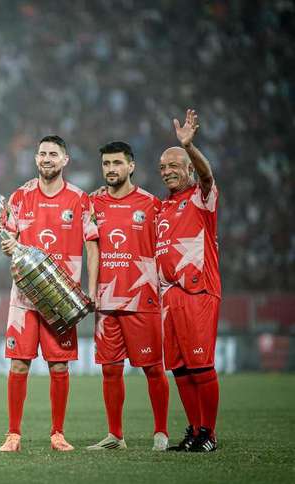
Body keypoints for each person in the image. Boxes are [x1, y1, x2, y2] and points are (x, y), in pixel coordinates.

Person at [0, 135, 99, 452]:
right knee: (18, 365)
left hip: (61, 298)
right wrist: (8, 246)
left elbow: (93, 246)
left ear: (65, 160)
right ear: (35, 159)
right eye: (41, 153)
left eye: (53, 154)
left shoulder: (81, 200)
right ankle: (13, 435)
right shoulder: (19, 197)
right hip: (25, 297)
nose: (46, 158)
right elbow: (8, 241)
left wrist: (92, 289)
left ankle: (57, 434)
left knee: (59, 366)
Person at [86, 141, 170, 451]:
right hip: (106, 300)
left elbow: (163, 248)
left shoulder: (150, 204)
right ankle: (115, 436)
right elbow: (90, 248)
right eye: (106, 163)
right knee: (109, 369)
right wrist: (92, 288)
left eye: (117, 163)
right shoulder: (92, 203)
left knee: (152, 367)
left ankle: (160, 432)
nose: (111, 169)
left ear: (130, 166)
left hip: (142, 299)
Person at [156, 109, 221, 452]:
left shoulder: (201, 198)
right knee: (180, 369)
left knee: (200, 365)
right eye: (163, 168)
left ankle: (209, 433)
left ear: (188, 169)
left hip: (198, 292)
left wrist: (189, 146)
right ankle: (195, 431)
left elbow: (208, 176)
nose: (167, 172)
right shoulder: (162, 209)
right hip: (170, 297)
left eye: (173, 166)